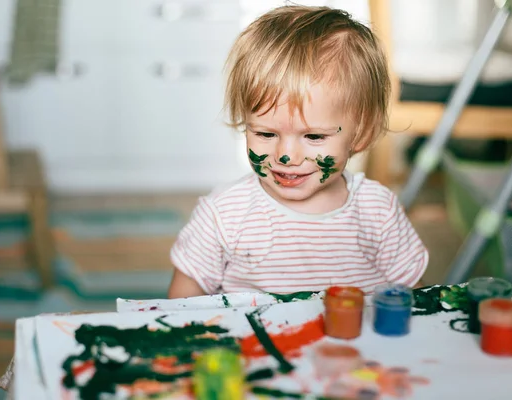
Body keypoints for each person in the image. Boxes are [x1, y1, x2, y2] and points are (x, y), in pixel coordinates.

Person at [167, 5, 428, 298]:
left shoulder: (378, 212)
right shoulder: (224, 215)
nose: (286, 156)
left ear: (362, 134)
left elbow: (415, 301)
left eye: (313, 136)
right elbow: (182, 302)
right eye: (266, 133)